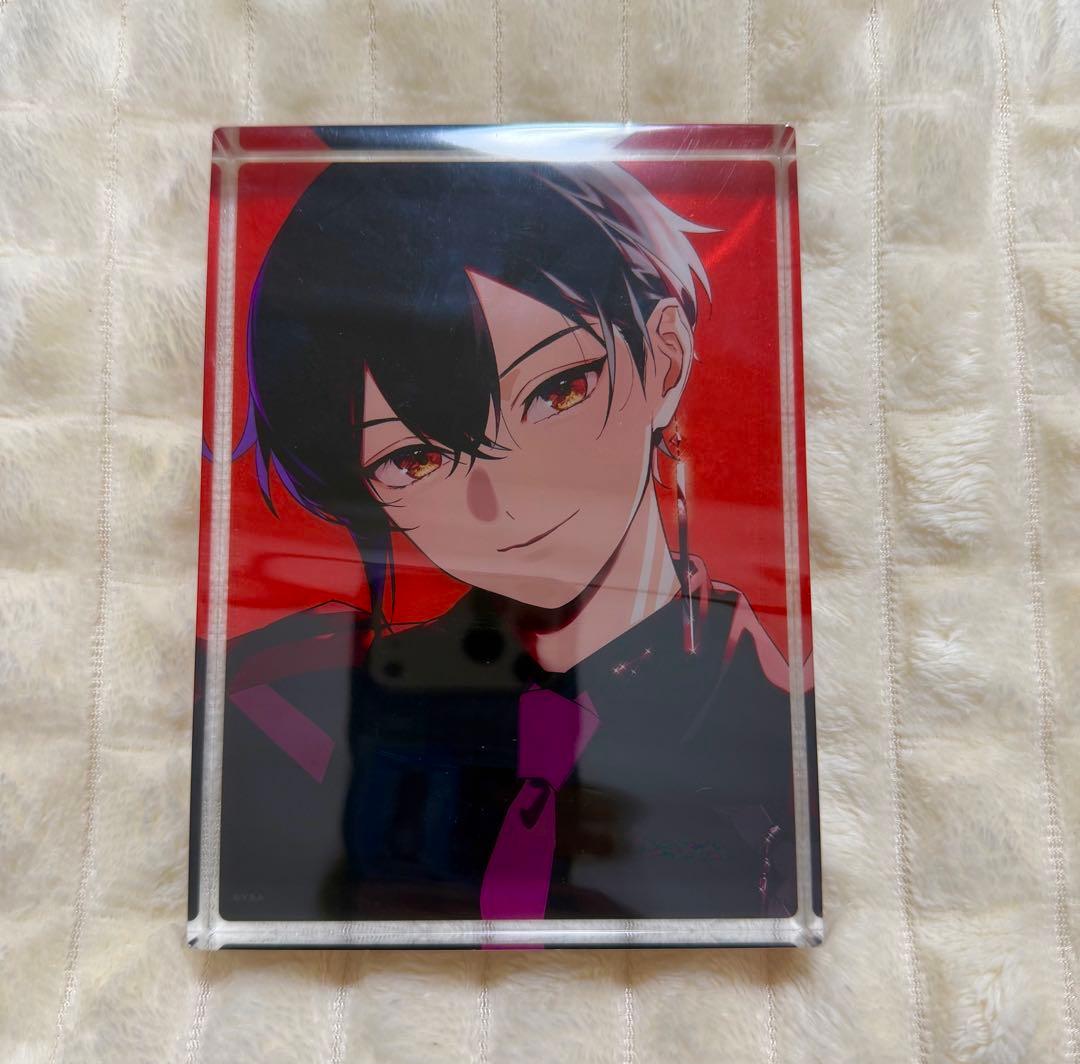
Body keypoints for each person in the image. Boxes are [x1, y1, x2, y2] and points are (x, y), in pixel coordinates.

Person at [207, 156, 818, 924]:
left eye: (558, 390)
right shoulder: (286, 704)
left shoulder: (782, 728)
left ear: (664, 359)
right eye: (415, 459)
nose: (502, 502)